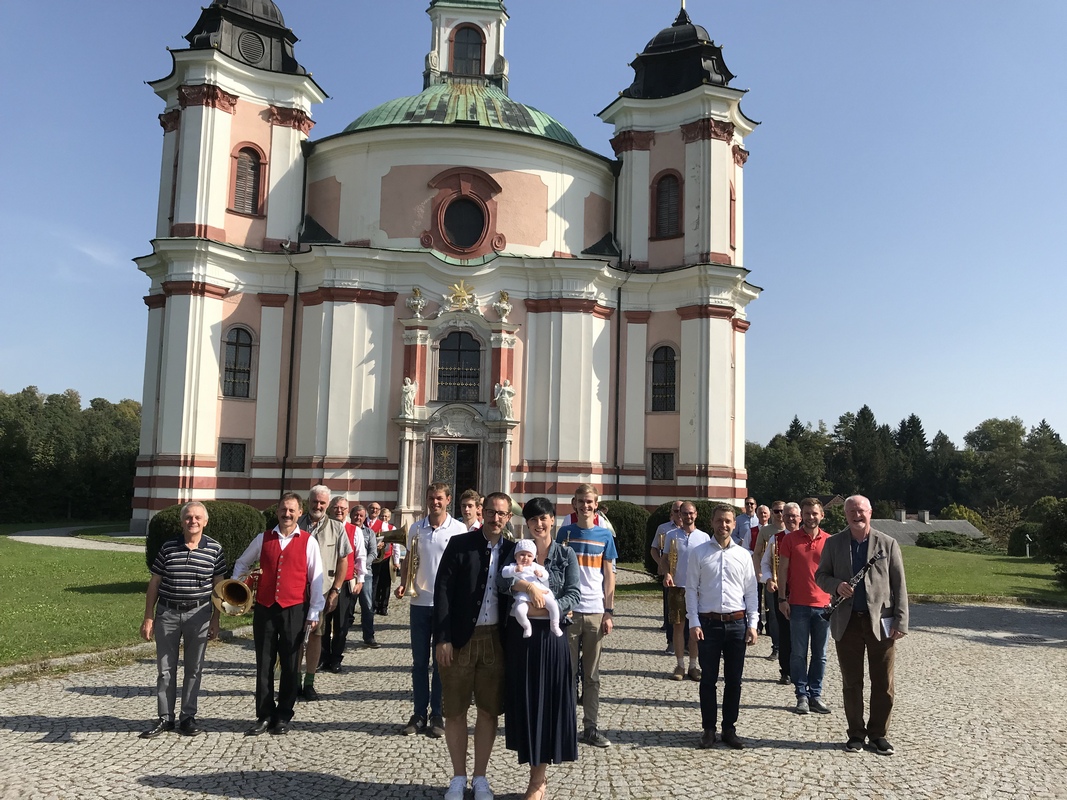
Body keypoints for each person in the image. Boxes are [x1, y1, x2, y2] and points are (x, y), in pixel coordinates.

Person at [434, 491, 517, 800]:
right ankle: (458, 777)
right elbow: (442, 592)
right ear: (483, 512)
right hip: (458, 640)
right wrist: (442, 638)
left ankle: (480, 777)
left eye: (502, 514)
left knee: (488, 711)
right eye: (492, 512)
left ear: (509, 517)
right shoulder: (460, 544)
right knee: (454, 710)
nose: (496, 518)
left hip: (495, 640)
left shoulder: (514, 551)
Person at [498, 497, 580, 800]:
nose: (539, 524)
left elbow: (574, 593)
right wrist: (528, 587)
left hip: (552, 638)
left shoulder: (565, 554)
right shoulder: (516, 550)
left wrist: (550, 609)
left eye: (544, 518)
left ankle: (538, 780)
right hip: (523, 638)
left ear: (552, 520)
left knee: (549, 703)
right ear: (527, 523)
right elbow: (501, 582)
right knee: (528, 702)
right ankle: (534, 770)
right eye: (533, 520)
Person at [816, 494, 909, 755]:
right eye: (852, 511)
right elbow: (820, 575)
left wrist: (901, 621)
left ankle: (878, 734)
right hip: (847, 623)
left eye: (861, 511)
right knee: (851, 682)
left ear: (870, 512)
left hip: (881, 622)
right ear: (845, 515)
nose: (857, 515)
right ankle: (855, 733)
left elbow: (899, 584)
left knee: (883, 682)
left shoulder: (887, 543)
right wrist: (836, 585)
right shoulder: (834, 543)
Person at [233, 491, 324, 735]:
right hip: (265, 607)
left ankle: (284, 714)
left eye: (292, 510)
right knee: (263, 663)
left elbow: (316, 578)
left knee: (291, 663)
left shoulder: (308, 541)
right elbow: (242, 563)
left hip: (295, 608)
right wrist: (237, 586)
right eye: (284, 509)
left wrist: (314, 611)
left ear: (299, 513)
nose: (287, 514)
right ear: (277, 511)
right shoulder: (263, 538)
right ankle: (264, 714)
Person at [139, 501, 226, 738]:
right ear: (182, 521)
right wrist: (148, 617)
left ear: (205, 522)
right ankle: (165, 718)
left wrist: (216, 620)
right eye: (188, 517)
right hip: (167, 613)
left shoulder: (215, 549)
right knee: (165, 670)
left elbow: (219, 587)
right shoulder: (168, 548)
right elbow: (154, 583)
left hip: (199, 615)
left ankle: (188, 717)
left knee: (194, 669)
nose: (193, 521)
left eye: (198, 517)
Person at [397, 483, 468, 738]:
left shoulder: (459, 530)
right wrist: (403, 583)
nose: (434, 502)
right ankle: (418, 713)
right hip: (419, 603)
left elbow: (463, 566)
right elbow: (409, 558)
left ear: (448, 500)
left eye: (439, 498)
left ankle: (437, 713)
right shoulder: (416, 528)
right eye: (430, 498)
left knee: (442, 663)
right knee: (418, 663)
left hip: (446, 607)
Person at [685, 504, 759, 749]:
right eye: (719, 521)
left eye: (728, 521)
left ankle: (729, 728)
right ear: (712, 522)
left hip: (737, 623)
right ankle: (708, 729)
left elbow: (751, 591)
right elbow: (691, 590)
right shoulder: (699, 553)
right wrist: (693, 622)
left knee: (734, 681)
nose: (723, 525)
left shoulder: (743, 555)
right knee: (708, 680)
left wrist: (753, 623)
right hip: (708, 624)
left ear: (734, 524)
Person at [556, 483, 616, 748]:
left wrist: (609, 611)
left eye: (590, 502)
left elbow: (609, 576)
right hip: (569, 611)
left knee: (591, 675)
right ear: (574, 504)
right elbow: (556, 572)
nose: (585, 506)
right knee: (566, 673)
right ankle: (566, 724)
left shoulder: (605, 536)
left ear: (596, 504)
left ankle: (590, 727)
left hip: (594, 611)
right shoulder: (564, 532)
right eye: (581, 501)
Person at [777, 497, 833, 715]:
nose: (810, 517)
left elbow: (835, 573)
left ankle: (815, 695)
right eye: (807, 513)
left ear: (822, 515)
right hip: (798, 604)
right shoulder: (790, 540)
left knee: (820, 655)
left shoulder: (830, 541)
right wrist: (782, 598)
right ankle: (801, 694)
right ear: (802, 516)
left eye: (814, 513)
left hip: (823, 606)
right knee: (798, 653)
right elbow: (782, 571)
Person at [298, 485, 352, 700]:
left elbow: (343, 561)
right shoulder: (296, 524)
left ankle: (309, 681)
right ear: (308, 501)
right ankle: (292, 681)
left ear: (327, 505)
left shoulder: (337, 528)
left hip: (321, 592)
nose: (318, 506)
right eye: (314, 501)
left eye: (322, 503)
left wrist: (336, 591)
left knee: (316, 637)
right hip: (295, 591)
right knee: (293, 638)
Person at [655, 501, 710, 681]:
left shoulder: (704, 537)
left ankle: (694, 665)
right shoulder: (672, 535)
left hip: (697, 589)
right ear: (680, 515)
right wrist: (667, 574)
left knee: (695, 627)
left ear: (696, 514)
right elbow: (664, 559)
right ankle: (680, 665)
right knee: (678, 627)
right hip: (677, 587)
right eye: (684, 513)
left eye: (690, 513)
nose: (687, 516)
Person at [322, 496, 366, 672]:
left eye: (342, 508)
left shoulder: (355, 531)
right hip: (324, 584)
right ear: (330, 509)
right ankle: (323, 657)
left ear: (348, 511)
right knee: (323, 624)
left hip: (346, 584)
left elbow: (360, 557)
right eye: (336, 507)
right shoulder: (323, 528)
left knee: (341, 625)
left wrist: (361, 580)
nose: (339, 510)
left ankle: (336, 659)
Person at [501, 539, 562, 638]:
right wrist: (514, 570)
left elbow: (546, 576)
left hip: (540, 592)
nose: (525, 558)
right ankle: (526, 626)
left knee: (553, 605)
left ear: (533, 557)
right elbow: (504, 573)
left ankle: (554, 625)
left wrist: (541, 575)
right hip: (523, 596)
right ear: (515, 556)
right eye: (522, 554)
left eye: (529, 555)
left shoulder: (535, 566)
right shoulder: (513, 566)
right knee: (519, 610)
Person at [650, 500, 684, 653]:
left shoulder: (691, 531)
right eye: (676, 511)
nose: (679, 514)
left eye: (681, 511)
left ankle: (687, 643)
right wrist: (661, 565)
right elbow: (654, 549)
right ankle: (671, 641)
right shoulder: (663, 529)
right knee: (671, 609)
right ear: (672, 513)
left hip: (688, 576)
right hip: (670, 574)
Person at [754, 501, 786, 660]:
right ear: (772, 513)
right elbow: (757, 553)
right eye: (777, 511)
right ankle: (776, 647)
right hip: (772, 580)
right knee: (773, 614)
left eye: (782, 511)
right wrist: (760, 573)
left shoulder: (794, 529)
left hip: (790, 581)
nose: (780, 514)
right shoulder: (766, 531)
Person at [349, 503, 379, 648]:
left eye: (361, 515)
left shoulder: (369, 533)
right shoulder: (344, 530)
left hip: (365, 573)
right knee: (347, 606)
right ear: (351, 515)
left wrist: (360, 566)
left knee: (367, 605)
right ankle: (340, 636)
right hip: (347, 573)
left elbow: (373, 553)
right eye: (356, 515)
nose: (358, 517)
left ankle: (369, 636)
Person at [367, 501, 397, 616]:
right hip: (373, 559)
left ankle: (383, 606)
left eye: (386, 516)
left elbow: (395, 546)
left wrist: (396, 560)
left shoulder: (387, 526)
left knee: (385, 584)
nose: (384, 518)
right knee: (374, 583)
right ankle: (373, 605)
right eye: (383, 516)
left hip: (386, 557)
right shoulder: (365, 523)